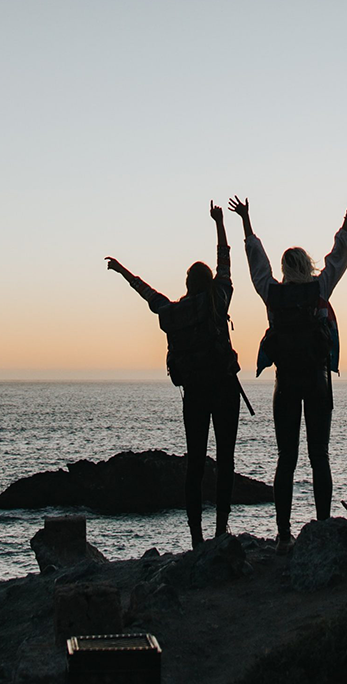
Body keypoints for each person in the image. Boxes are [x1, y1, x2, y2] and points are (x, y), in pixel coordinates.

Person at [105, 201, 244, 549]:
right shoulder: (218, 300)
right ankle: (221, 529)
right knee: (225, 459)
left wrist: (123, 272)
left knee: (194, 463)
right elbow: (225, 261)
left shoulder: (174, 313)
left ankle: (196, 537)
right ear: (209, 282)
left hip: (194, 394)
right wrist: (219, 224)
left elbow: (148, 294)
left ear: (187, 283)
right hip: (225, 388)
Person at [228, 191, 347, 553]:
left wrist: (246, 223)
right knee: (320, 454)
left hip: (284, 383)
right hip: (318, 382)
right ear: (308, 265)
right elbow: (340, 256)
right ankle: (320, 526)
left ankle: (284, 533)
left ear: (286, 269)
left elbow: (257, 265)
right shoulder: (321, 288)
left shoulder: (273, 293)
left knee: (286, 457)